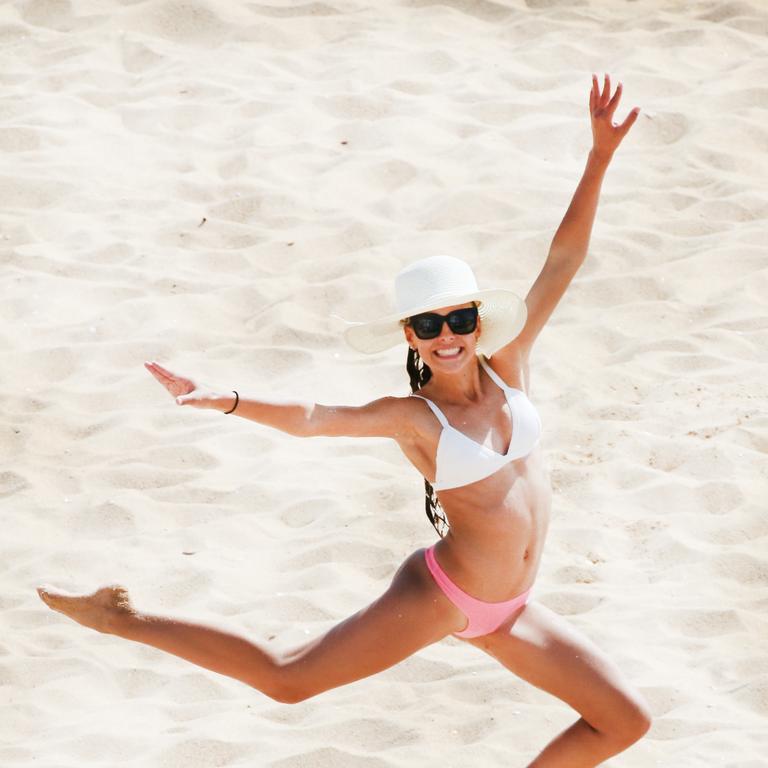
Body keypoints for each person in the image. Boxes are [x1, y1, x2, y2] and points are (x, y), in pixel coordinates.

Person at [38, 74, 650, 766]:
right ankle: (122, 617)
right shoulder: (415, 418)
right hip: (447, 595)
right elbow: (313, 417)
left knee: (624, 722)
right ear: (411, 338)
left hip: (510, 610)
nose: (446, 333)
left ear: (477, 321)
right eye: (428, 324)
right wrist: (230, 399)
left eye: (457, 317)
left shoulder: (511, 363)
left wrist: (599, 155)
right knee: (287, 679)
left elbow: (563, 258)